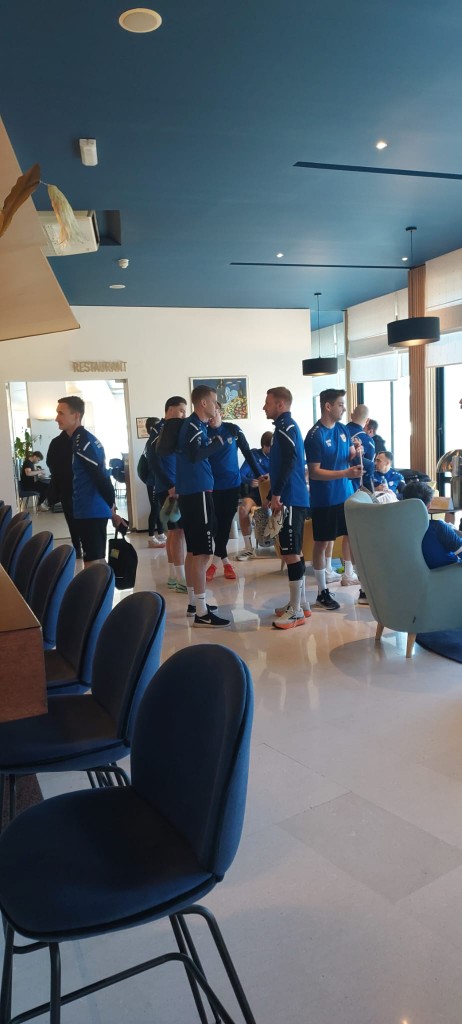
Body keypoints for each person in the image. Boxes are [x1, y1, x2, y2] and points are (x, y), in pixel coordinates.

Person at [176, 385, 229, 627]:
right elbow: (195, 455)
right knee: (203, 553)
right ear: (204, 403)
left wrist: (213, 431)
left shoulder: (197, 426)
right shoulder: (193, 426)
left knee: (193, 552)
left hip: (194, 492)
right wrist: (219, 441)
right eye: (214, 402)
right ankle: (201, 612)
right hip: (197, 493)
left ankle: (194, 604)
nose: (217, 406)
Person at [304, 389, 362, 610]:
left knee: (352, 537)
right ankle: (322, 591)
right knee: (322, 543)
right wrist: (345, 473)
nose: (344, 408)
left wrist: (356, 452)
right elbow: (315, 472)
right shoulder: (314, 436)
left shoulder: (343, 429)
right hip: (325, 499)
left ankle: (359, 583)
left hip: (345, 495)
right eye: (340, 404)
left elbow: (348, 455)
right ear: (328, 407)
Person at [262, 387, 310, 630]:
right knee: (295, 552)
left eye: (267, 403)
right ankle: (301, 603)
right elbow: (282, 465)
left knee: (290, 553)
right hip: (289, 496)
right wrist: (271, 494)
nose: (264, 407)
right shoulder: (282, 427)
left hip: (291, 498)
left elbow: (291, 460)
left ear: (280, 404)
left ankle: (296, 612)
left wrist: (278, 494)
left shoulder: (286, 427)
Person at [55, 396, 115, 567]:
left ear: (76, 415)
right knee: (96, 558)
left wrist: (111, 504)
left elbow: (99, 476)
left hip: (91, 510)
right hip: (88, 509)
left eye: (61, 413)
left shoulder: (83, 441)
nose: (57, 418)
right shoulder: (80, 439)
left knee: (93, 562)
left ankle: (98, 586)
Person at [207, 404, 264, 580]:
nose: (211, 417)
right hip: (210, 487)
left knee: (225, 524)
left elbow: (248, 453)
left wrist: (259, 474)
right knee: (216, 525)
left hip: (231, 486)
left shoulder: (233, 430)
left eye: (214, 413)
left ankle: (214, 564)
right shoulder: (203, 432)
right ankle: (225, 562)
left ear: (220, 412)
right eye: (209, 414)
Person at [148, 396, 188, 591]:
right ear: (170, 410)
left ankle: (173, 575)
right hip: (169, 488)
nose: (184, 415)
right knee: (177, 532)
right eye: (181, 411)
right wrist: (170, 485)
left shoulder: (172, 429)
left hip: (173, 486)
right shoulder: (160, 430)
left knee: (174, 532)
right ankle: (181, 578)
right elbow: (152, 460)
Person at [403, 480, 462, 568]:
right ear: (429, 505)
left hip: (415, 573)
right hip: (448, 571)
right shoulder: (437, 527)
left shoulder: (398, 529)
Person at [46, 431, 83, 557]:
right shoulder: (83, 439)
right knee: (83, 517)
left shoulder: (56, 442)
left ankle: (77, 547)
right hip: (81, 486)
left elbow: (49, 463)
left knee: (71, 518)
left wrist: (59, 473)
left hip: (65, 486)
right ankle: (85, 546)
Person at [237, 430, 272, 559]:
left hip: (273, 493)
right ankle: (248, 547)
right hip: (256, 493)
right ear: (263, 446)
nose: (271, 449)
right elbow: (240, 474)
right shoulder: (254, 455)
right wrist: (249, 481)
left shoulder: (278, 456)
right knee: (242, 509)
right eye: (269, 446)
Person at [143, 417, 166, 548]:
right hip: (152, 481)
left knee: (158, 508)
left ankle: (161, 533)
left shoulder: (156, 441)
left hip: (157, 481)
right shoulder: (152, 443)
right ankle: (151, 537)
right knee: (155, 508)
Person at [346, 404, 376, 491]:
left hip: (333, 480)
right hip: (355, 488)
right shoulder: (369, 442)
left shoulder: (338, 432)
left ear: (351, 415)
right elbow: (368, 470)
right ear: (367, 420)